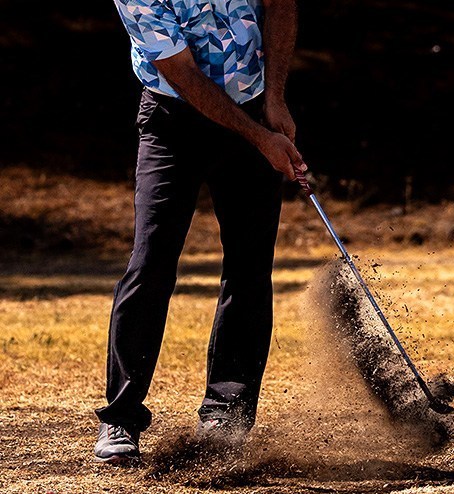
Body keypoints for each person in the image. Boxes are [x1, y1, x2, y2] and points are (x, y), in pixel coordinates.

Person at [94, 0, 306, 464]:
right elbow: (182, 73)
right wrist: (260, 138)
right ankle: (121, 417)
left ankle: (226, 416)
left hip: (253, 103)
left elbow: (280, 4)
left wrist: (274, 100)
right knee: (151, 261)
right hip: (173, 120)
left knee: (250, 268)